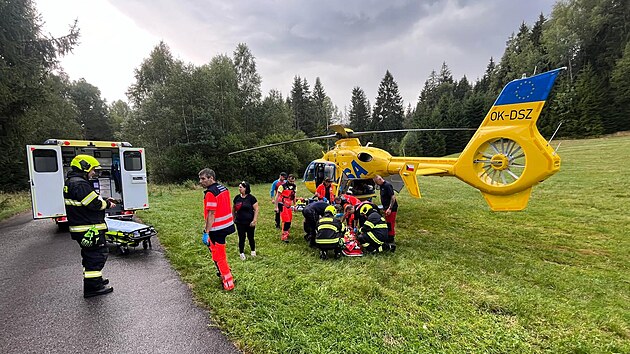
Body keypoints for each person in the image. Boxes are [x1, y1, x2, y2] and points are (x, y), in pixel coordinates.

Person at [64, 155, 116, 298]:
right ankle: (92, 288)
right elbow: (94, 204)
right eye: (93, 169)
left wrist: (103, 199)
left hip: (83, 228)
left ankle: (96, 281)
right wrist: (107, 204)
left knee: (91, 255)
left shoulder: (74, 182)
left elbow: (87, 200)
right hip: (88, 228)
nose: (94, 173)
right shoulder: (80, 184)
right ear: (84, 167)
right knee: (96, 255)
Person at [199, 168, 235, 291]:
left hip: (217, 229)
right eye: (200, 179)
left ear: (211, 178)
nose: (201, 181)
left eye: (203, 178)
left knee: (219, 255)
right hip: (227, 225)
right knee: (216, 251)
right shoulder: (223, 188)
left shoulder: (210, 193)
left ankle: (228, 280)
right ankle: (222, 272)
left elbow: (211, 214)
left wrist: (206, 232)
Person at [233, 181, 259, 260]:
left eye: (241, 187)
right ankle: (241, 252)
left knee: (251, 237)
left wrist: (254, 220)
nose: (239, 188)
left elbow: (256, 209)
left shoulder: (251, 198)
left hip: (249, 222)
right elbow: (233, 209)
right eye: (239, 187)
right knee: (241, 237)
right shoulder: (237, 198)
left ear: (245, 188)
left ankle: (253, 251)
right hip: (240, 222)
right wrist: (233, 218)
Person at [373, 175, 397, 245]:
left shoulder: (387, 185)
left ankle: (391, 238)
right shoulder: (382, 186)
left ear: (380, 179)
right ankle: (388, 236)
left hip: (391, 208)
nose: (377, 184)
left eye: (377, 182)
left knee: (390, 223)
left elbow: (393, 197)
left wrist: (390, 208)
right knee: (387, 222)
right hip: (386, 207)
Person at [276, 174, 297, 242]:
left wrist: (295, 205)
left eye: (293, 181)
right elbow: (277, 196)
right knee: (286, 220)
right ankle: (284, 236)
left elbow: (294, 196)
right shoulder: (282, 187)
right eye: (291, 181)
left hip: (289, 205)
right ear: (288, 179)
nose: (292, 183)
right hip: (282, 204)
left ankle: (286, 232)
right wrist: (276, 207)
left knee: (289, 220)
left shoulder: (294, 187)